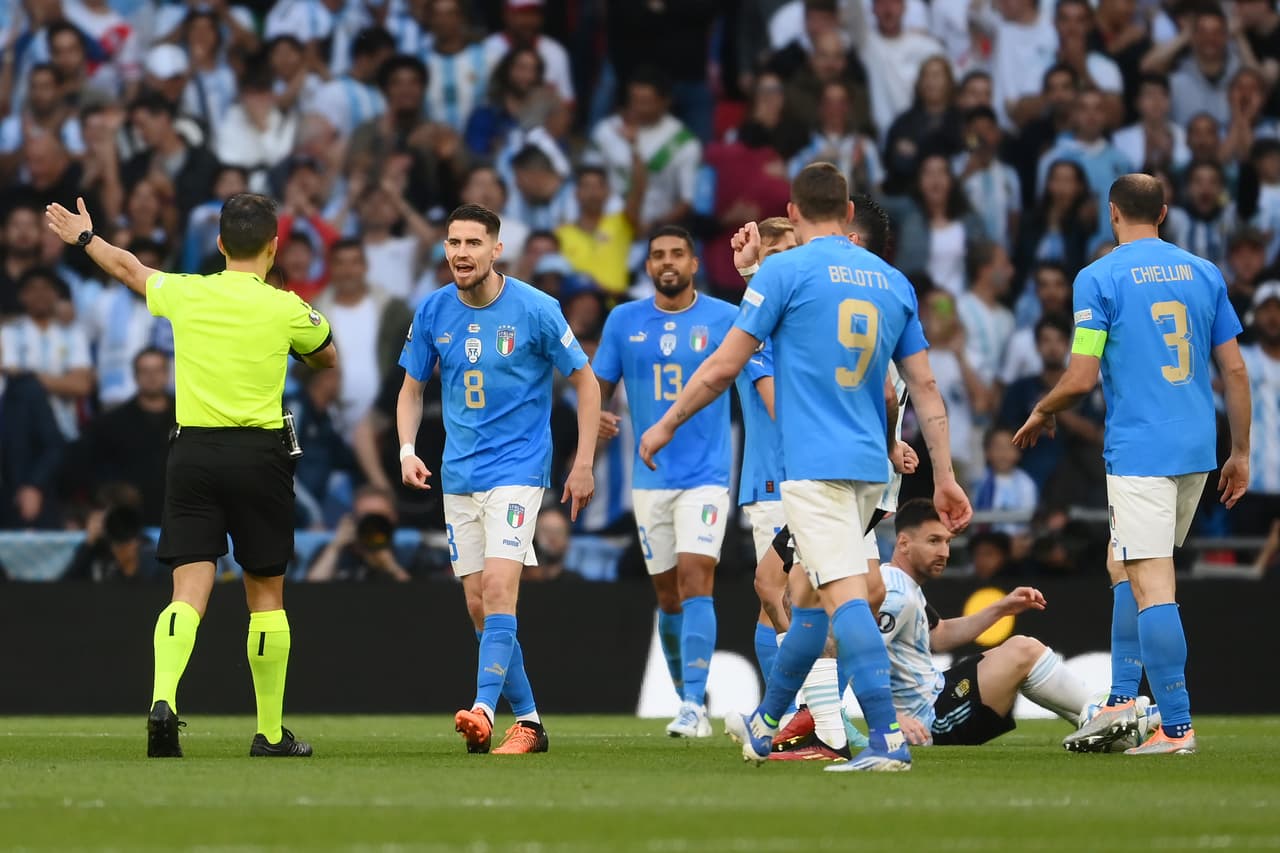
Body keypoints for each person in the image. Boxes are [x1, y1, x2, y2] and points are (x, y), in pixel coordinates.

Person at [639, 163, 973, 772]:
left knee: (843, 596)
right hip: (872, 468)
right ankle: (768, 725)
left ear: (792, 214)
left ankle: (884, 741)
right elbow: (924, 388)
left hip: (814, 467)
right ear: (848, 214)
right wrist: (946, 476)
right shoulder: (894, 282)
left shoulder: (784, 270)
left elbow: (722, 367)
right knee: (814, 598)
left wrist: (666, 422)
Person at [45, 192, 338, 759]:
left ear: (221, 244)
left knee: (188, 590)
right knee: (266, 595)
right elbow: (326, 354)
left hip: (194, 454)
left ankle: (162, 701)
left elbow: (128, 267)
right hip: (260, 456)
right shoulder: (286, 306)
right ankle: (271, 733)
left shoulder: (187, 291)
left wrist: (84, 238)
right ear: (274, 248)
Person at [1014, 174, 1252, 755]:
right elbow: (1237, 373)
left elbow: (1080, 376)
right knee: (1122, 562)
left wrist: (1044, 410)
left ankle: (1176, 727)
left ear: (1111, 213)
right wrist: (1241, 453)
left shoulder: (1099, 277)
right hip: (1197, 448)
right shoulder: (1203, 272)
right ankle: (1123, 697)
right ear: (1164, 213)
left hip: (1142, 451)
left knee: (1152, 583)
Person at [397, 203, 599, 755]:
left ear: (496, 249)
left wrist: (581, 463)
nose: (461, 253)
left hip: (518, 470)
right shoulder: (435, 310)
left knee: (499, 588)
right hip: (459, 476)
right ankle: (529, 722)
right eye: (453, 242)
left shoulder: (536, 309)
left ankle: (483, 709)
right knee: (478, 606)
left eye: (473, 243)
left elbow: (585, 382)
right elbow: (411, 389)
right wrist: (408, 449)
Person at [593, 224, 738, 738]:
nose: (668, 262)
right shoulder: (624, 320)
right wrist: (600, 419)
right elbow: (597, 388)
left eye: (678, 253)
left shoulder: (726, 319)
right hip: (650, 477)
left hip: (707, 474)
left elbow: (758, 381)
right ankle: (686, 699)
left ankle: (695, 704)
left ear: (695, 264)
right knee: (668, 595)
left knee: (698, 576)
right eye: (658, 255)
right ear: (649, 266)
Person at [879, 499, 1094, 746]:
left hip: (935, 695)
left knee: (1020, 652)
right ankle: (1104, 714)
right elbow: (856, 656)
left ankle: (1100, 721)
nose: (945, 552)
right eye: (934, 541)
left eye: (947, 541)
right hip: (929, 722)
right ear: (904, 543)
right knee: (1023, 650)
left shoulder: (901, 584)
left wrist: (1002, 608)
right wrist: (890, 718)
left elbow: (939, 634)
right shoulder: (897, 596)